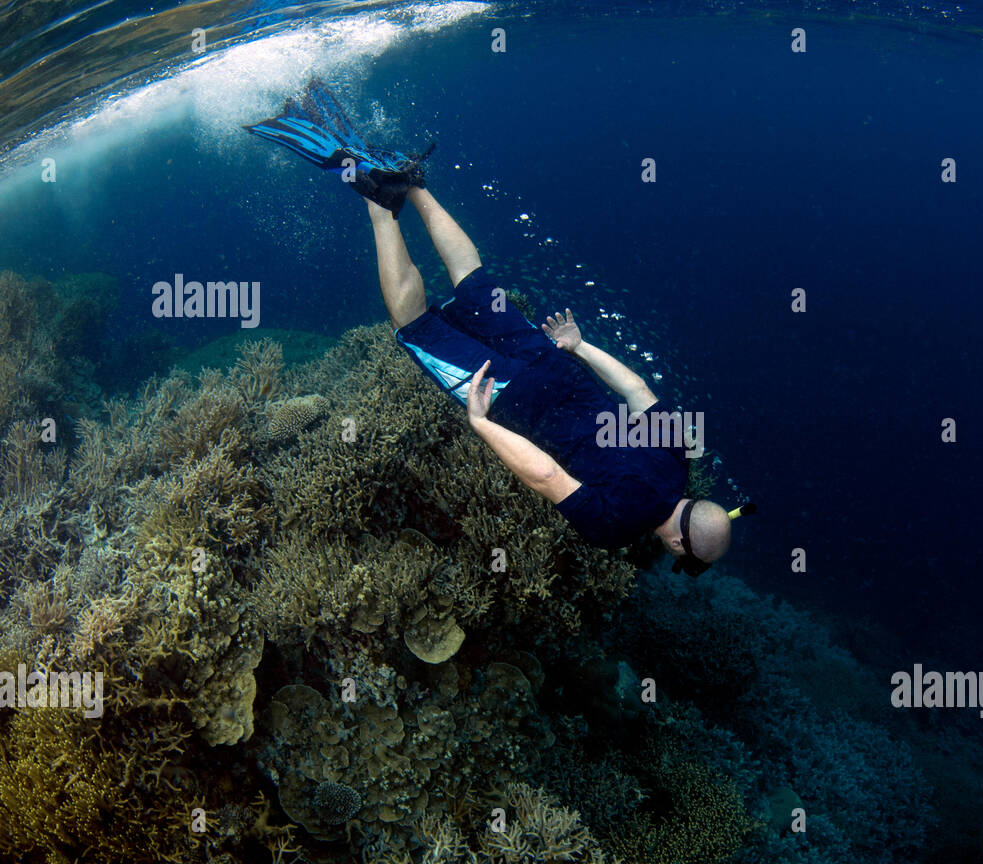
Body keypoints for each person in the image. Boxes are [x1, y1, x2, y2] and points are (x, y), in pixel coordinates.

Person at [245, 83, 740, 572]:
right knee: (414, 326)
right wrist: (482, 424)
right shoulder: (617, 526)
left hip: (558, 367)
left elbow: (636, 387)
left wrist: (580, 346)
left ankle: (413, 182)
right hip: (511, 398)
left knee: (474, 281)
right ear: (679, 545)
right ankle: (377, 200)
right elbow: (546, 475)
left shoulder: (681, 455)